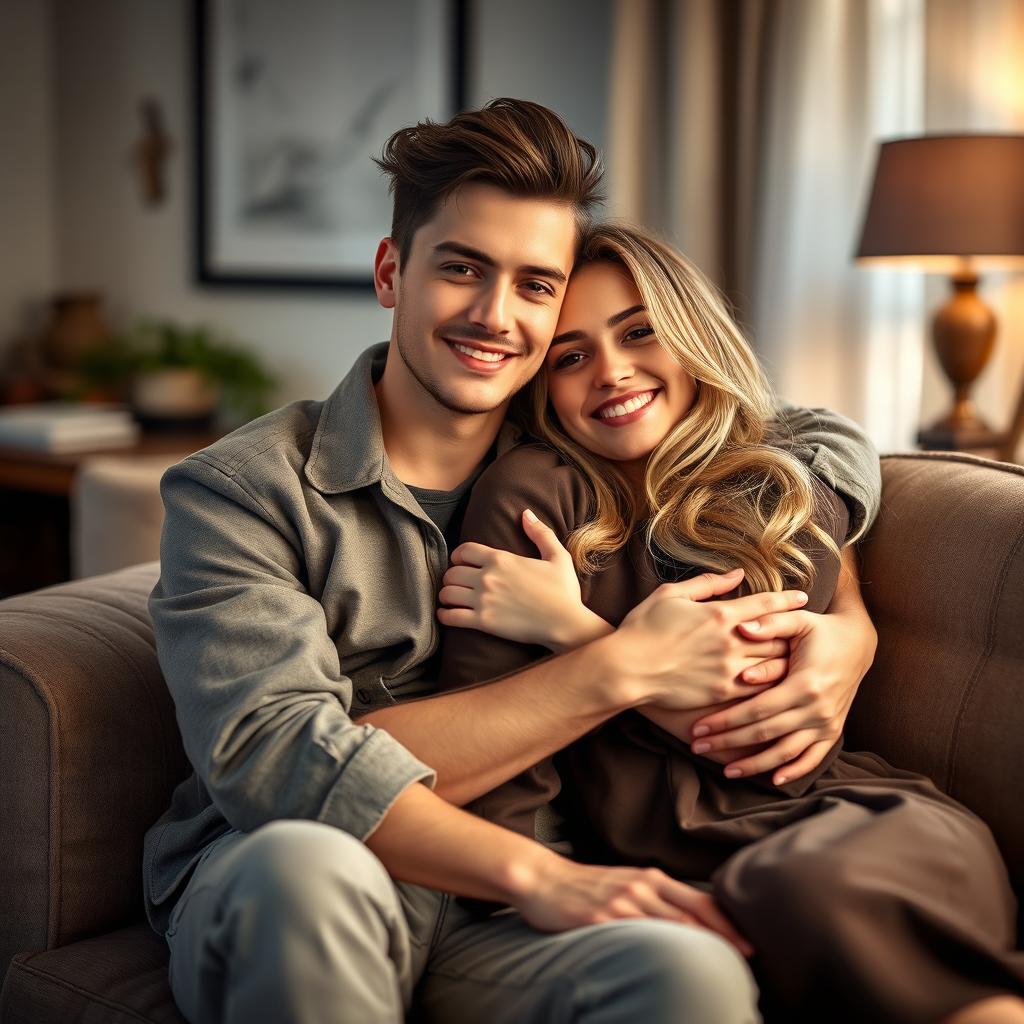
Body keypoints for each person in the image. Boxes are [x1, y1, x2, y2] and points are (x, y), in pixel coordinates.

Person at [144, 100, 884, 1024]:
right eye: (462, 269)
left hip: (496, 921)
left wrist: (848, 625)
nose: (496, 317)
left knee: (686, 975)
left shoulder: (583, 447)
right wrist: (610, 673)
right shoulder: (239, 491)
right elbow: (277, 762)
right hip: (297, 870)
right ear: (391, 271)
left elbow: (800, 442)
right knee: (309, 866)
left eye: (537, 286)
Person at [435, 223, 1024, 1024]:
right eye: (571, 355)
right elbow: (501, 789)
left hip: (859, 831)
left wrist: (571, 630)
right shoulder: (534, 495)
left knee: (791, 888)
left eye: (640, 332)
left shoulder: (774, 486)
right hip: (676, 874)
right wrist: (534, 890)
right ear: (541, 382)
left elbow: (749, 728)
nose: (612, 372)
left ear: (692, 336)